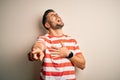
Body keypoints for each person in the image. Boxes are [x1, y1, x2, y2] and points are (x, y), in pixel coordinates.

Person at [29, 9, 86, 80]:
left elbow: (82, 65)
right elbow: (39, 45)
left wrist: (69, 54)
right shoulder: (44, 39)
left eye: (57, 14)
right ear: (47, 25)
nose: (57, 16)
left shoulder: (72, 40)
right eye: (53, 15)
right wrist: (37, 49)